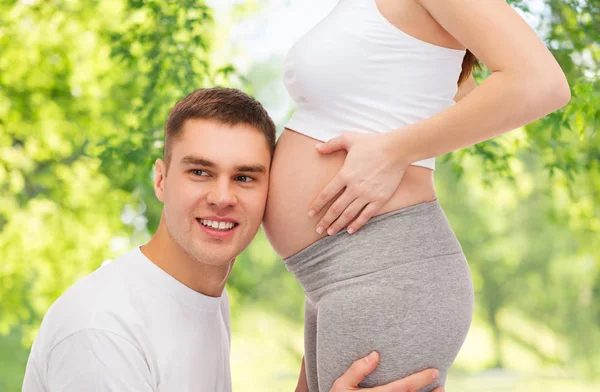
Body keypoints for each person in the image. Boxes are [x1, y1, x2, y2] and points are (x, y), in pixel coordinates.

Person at [22, 88, 444, 392]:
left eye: (244, 177)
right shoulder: (103, 328)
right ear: (161, 180)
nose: (222, 197)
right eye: (200, 172)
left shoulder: (201, 299)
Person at [262, 0, 571, 391]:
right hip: (334, 273)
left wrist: (395, 151)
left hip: (387, 271)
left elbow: (542, 83)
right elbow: (446, 93)